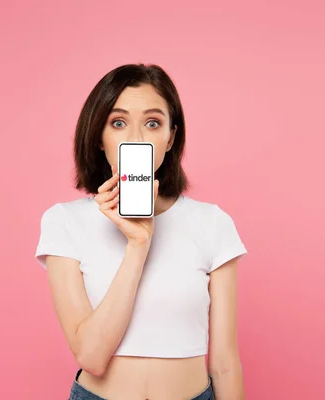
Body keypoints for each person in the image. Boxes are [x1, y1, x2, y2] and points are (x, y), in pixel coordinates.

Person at [35, 63, 248, 400]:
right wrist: (138, 243)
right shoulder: (64, 222)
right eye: (118, 123)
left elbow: (224, 363)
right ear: (99, 139)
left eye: (152, 123)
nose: (135, 138)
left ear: (170, 138)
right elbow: (91, 357)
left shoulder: (212, 224)